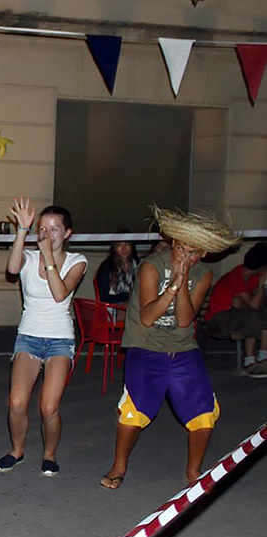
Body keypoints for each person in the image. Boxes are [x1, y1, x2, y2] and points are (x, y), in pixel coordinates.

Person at [100, 207, 241, 490]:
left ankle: (193, 471)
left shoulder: (203, 274)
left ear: (203, 254)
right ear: (173, 243)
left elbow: (185, 320)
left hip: (183, 348)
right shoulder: (151, 266)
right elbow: (148, 317)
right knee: (135, 411)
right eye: (180, 249)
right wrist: (173, 287)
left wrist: (183, 284)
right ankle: (119, 466)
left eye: (192, 253)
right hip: (145, 345)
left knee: (204, 413)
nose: (183, 258)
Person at [0, 198, 88, 476]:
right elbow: (12, 269)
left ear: (67, 233)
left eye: (54, 229)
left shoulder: (77, 261)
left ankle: (49, 454)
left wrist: (48, 257)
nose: (47, 234)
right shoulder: (30, 257)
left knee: (49, 407)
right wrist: (22, 230)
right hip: (29, 336)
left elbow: (60, 294)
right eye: (43, 229)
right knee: (17, 402)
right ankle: (17, 450)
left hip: (60, 340)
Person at [203, 241, 267, 376]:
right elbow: (253, 305)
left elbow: (254, 303)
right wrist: (261, 284)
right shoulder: (236, 277)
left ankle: (263, 357)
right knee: (252, 316)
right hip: (217, 319)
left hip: (237, 315)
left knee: (262, 312)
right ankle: (249, 362)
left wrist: (246, 303)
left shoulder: (252, 278)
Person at [95, 236, 138, 305]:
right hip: (113, 306)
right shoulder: (107, 267)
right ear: (114, 248)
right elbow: (103, 297)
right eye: (119, 245)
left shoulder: (137, 264)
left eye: (127, 244)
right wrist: (125, 298)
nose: (124, 248)